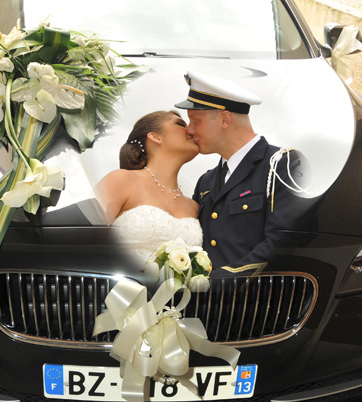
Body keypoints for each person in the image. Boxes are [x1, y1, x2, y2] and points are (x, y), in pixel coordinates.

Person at [175, 70, 306, 278]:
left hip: (256, 304)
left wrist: (217, 282)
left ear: (225, 120)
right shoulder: (206, 181)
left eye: (195, 121)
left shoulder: (281, 165)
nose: (189, 130)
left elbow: (282, 241)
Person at [95, 110, 203, 257]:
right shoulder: (121, 181)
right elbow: (79, 238)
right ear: (155, 137)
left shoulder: (194, 207)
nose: (191, 130)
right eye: (180, 124)